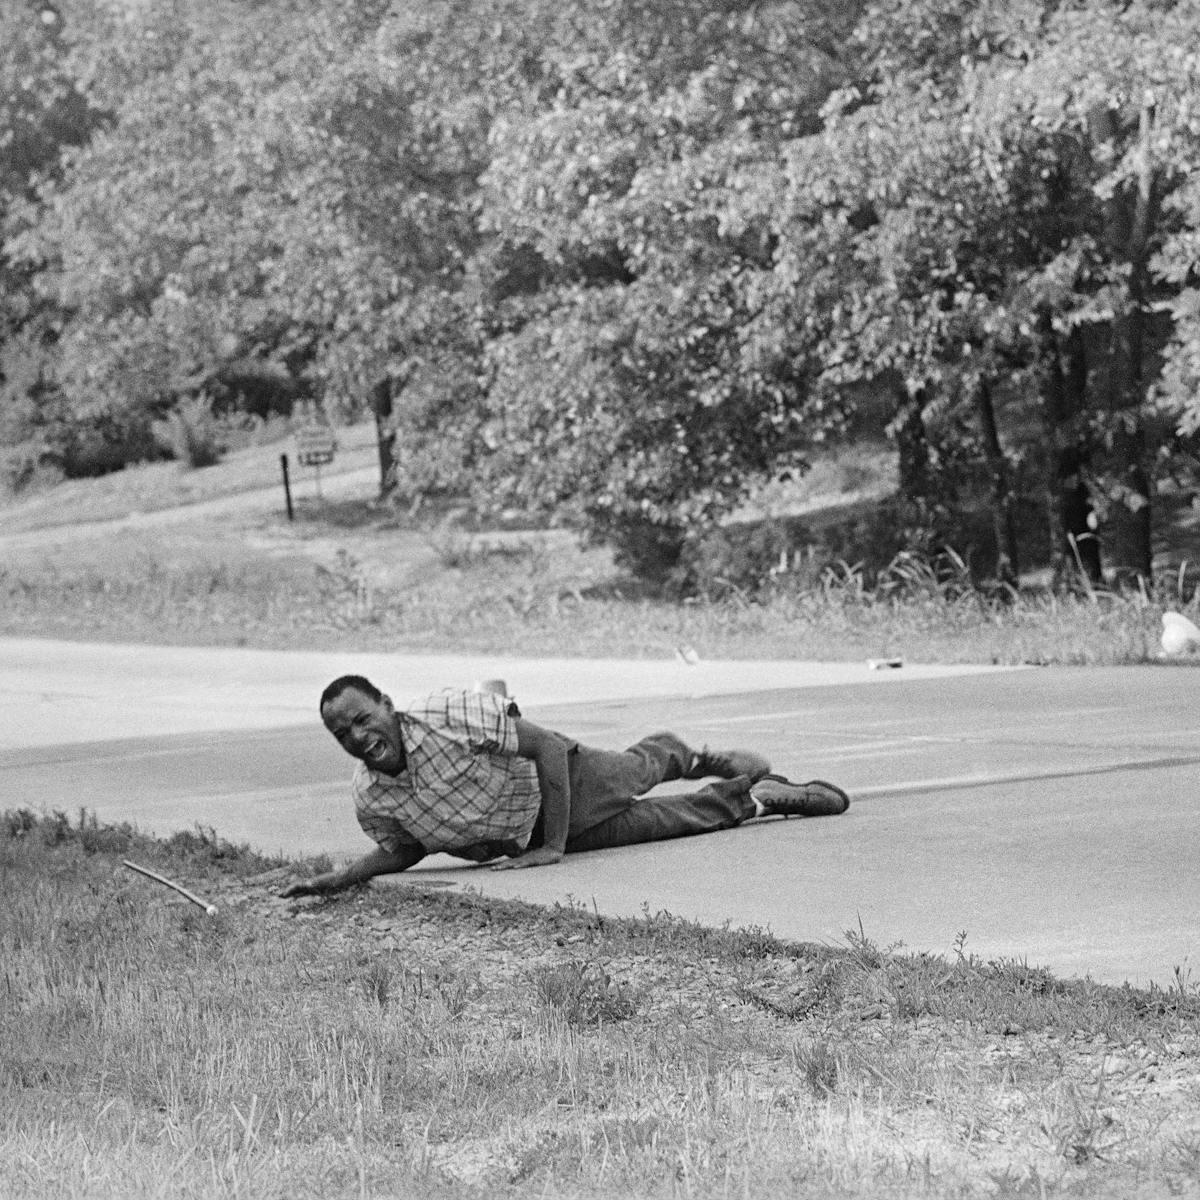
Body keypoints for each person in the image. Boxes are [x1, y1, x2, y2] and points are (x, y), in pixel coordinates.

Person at [280, 674, 850, 897]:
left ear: (385, 705)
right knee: (665, 823)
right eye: (341, 734)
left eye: (362, 718)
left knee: (637, 774)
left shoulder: (442, 714)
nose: (357, 737)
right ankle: (760, 796)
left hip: (562, 780)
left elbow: (548, 747)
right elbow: (404, 847)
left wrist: (552, 848)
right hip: (525, 838)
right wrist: (344, 877)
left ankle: (685, 752)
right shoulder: (372, 796)